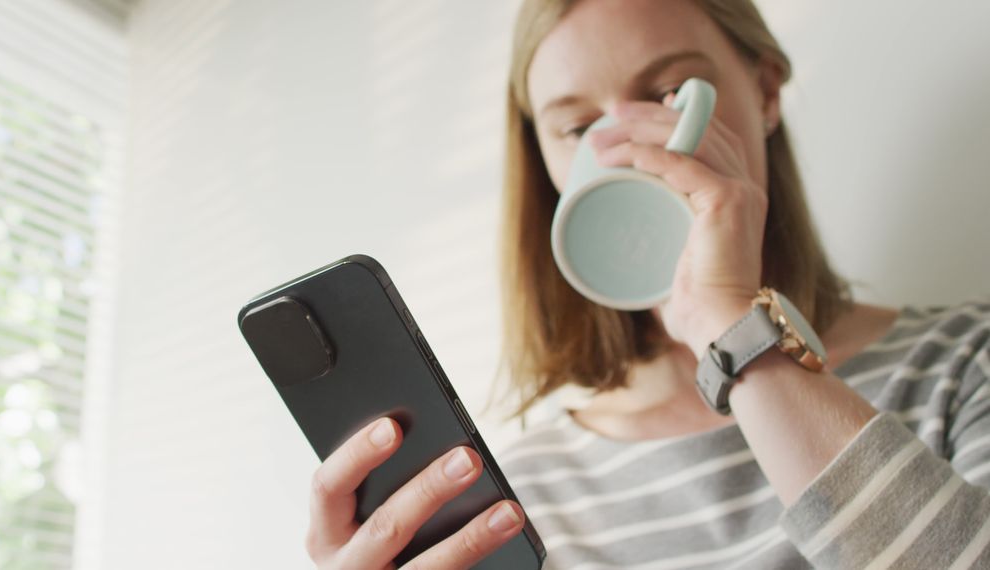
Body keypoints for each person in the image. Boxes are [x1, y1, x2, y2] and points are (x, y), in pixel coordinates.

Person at [301, 0, 990, 568]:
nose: (623, 148)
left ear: (766, 89)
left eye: (666, 95)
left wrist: (727, 318)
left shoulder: (964, 363)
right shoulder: (513, 502)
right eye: (576, 126)